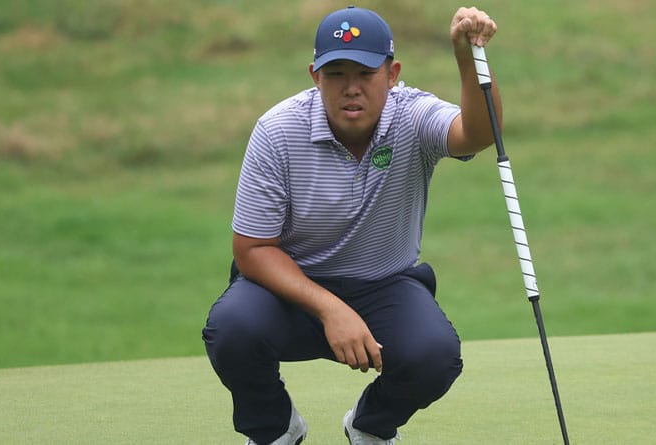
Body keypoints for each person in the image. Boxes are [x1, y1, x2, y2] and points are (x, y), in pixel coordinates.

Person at [202, 5, 501, 444]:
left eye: (365, 73)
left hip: (384, 287)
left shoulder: (412, 116)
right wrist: (331, 308)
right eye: (336, 73)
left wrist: (466, 56)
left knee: (434, 355)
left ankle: (371, 425)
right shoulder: (277, 131)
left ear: (392, 73)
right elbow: (251, 249)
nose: (351, 89)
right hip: (289, 290)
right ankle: (274, 429)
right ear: (314, 76)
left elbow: (476, 134)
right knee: (232, 330)